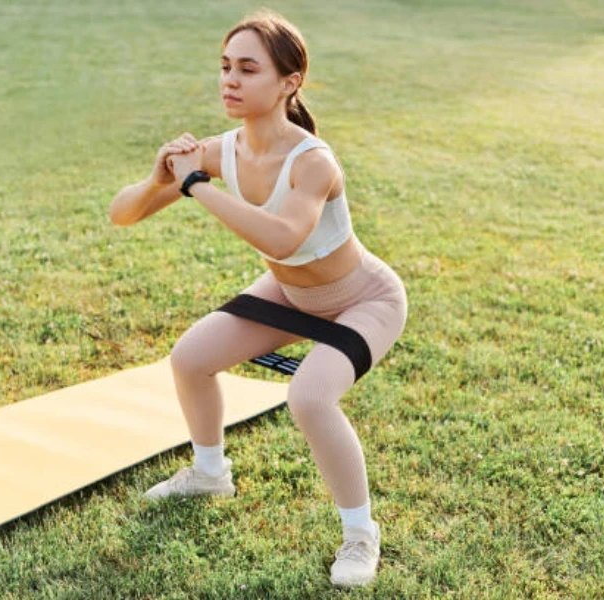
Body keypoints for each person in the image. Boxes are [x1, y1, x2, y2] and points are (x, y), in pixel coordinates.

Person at [109, 9, 407, 588]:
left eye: (248, 69)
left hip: (363, 300)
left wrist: (195, 185)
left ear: (289, 83)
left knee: (311, 397)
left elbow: (281, 237)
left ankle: (360, 536)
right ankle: (209, 472)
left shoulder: (312, 162)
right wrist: (156, 181)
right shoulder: (221, 151)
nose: (230, 80)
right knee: (191, 358)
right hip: (291, 292)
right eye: (225, 67)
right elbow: (123, 215)